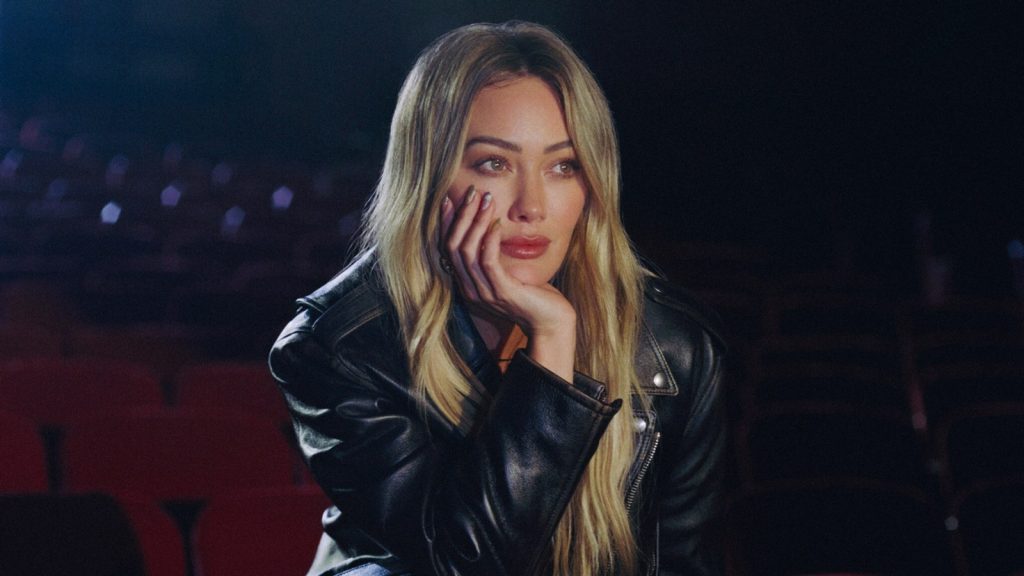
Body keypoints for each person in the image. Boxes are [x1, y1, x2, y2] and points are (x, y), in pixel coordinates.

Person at [270, 20, 726, 576]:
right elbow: (468, 564)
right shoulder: (339, 348)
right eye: (495, 163)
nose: (531, 206)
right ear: (429, 175)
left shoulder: (677, 348)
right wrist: (552, 342)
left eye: (563, 166)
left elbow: (681, 562)